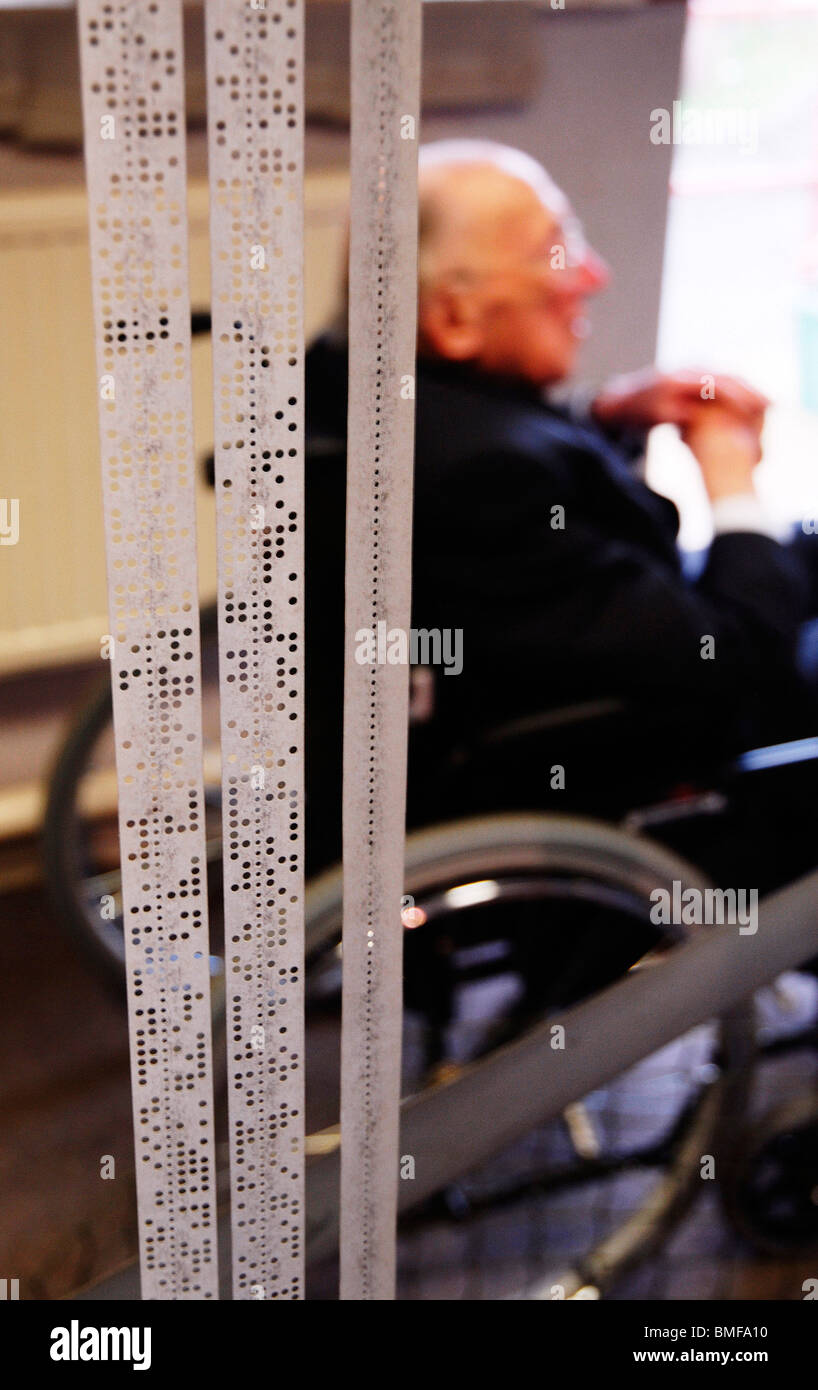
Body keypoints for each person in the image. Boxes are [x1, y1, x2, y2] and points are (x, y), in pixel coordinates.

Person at [304, 139, 817, 866]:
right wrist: (731, 480)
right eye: (555, 252)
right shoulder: (485, 481)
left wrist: (608, 414)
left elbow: (493, 436)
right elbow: (735, 654)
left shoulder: (354, 386)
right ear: (454, 319)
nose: (592, 275)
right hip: (640, 768)